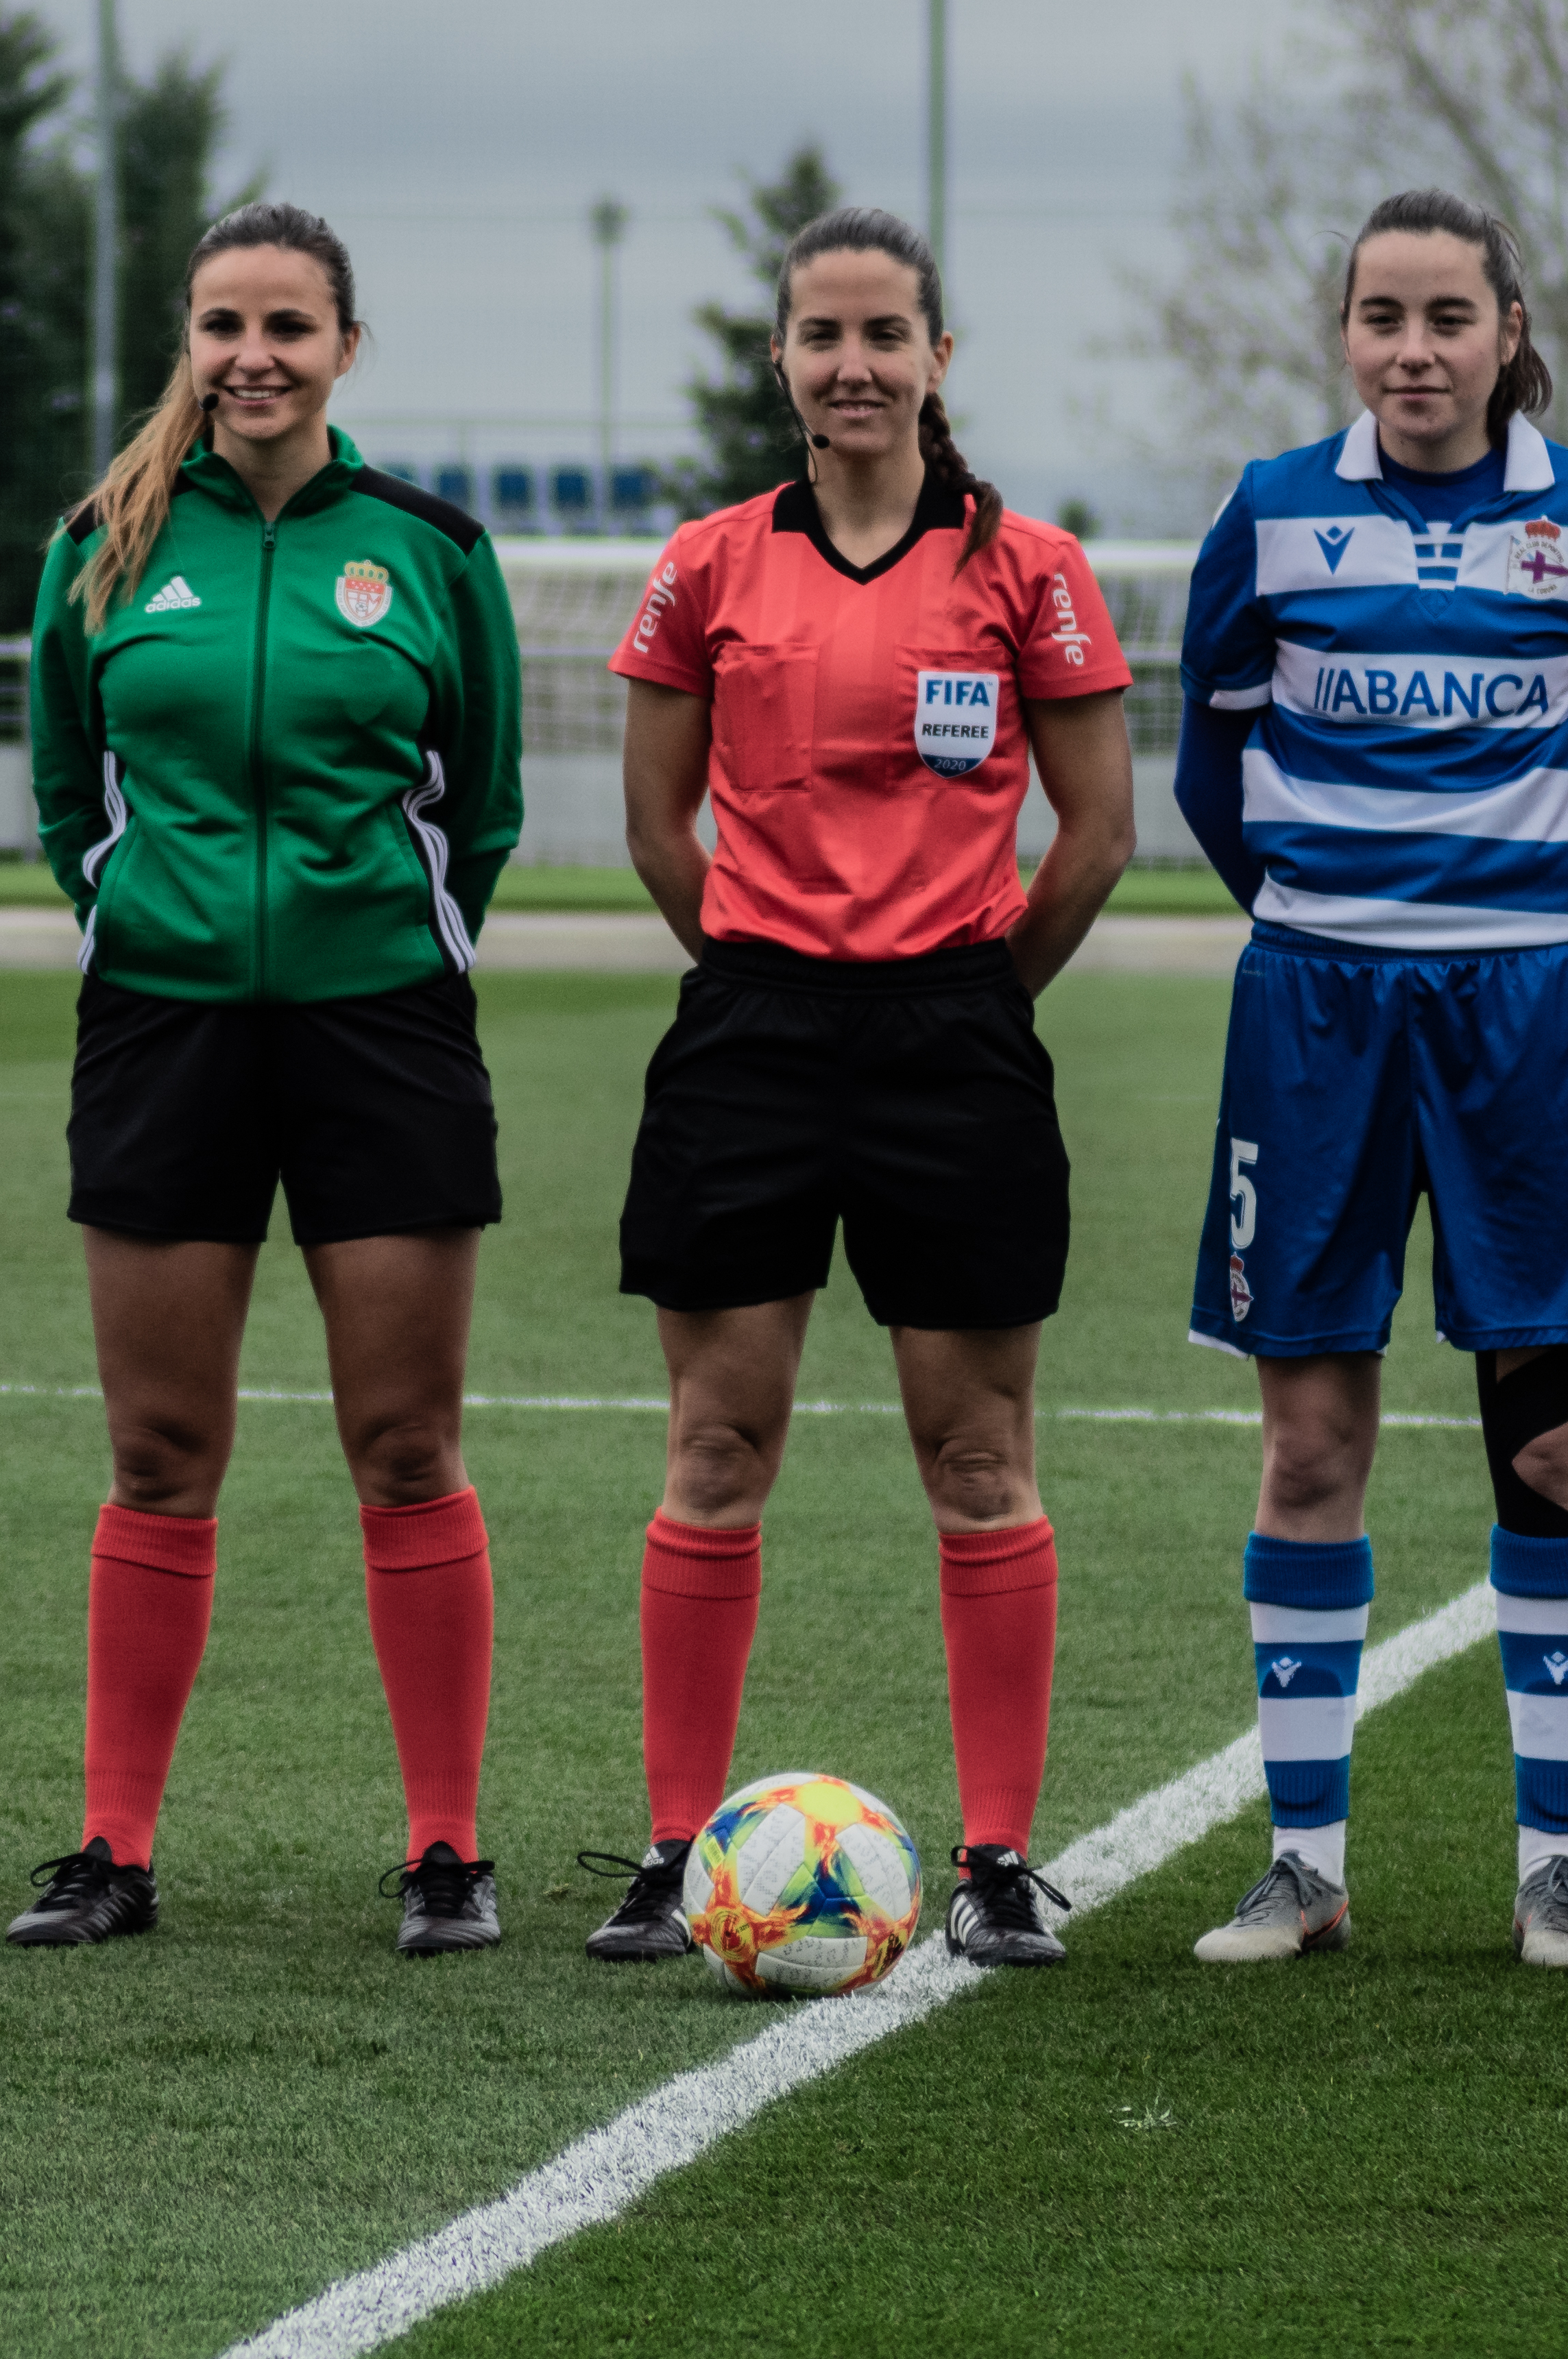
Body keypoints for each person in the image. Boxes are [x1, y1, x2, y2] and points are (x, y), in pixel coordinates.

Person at [586, 204, 1135, 1974]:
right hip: (751, 1034)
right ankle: (678, 1851)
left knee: (974, 1452)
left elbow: (1098, 830)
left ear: (936, 358)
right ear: (780, 358)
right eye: (818, 336)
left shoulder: (1026, 567)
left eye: (883, 334)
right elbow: (657, 827)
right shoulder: (705, 566)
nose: (851, 365)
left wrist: (968, 993)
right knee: (714, 1443)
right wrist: (762, 967)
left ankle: (990, 1858)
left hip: (951, 1043)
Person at [1170, 189, 1568, 1973]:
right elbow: (1207, 763)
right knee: (1306, 1435)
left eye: (1444, 317)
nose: (1411, 349)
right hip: (1312, 1014)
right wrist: (1326, 920)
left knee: (1541, 1431)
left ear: (1503, 327)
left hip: (1527, 1021)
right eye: (1380, 317)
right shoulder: (1267, 513)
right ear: (1342, 334)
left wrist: (1539, 931)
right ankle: (1301, 1861)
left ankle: (1554, 1865)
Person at [15, 201, 524, 1956]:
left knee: (404, 1443)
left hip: (381, 1028)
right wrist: (125, 913)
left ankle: (445, 1851)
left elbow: (493, 798)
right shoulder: (102, 538)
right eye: (224, 325)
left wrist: (400, 933)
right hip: (163, 1028)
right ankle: (111, 1845)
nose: (254, 357)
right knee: (161, 1449)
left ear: (345, 350)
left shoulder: (435, 549)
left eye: (289, 328)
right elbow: (64, 793)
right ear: (190, 339)